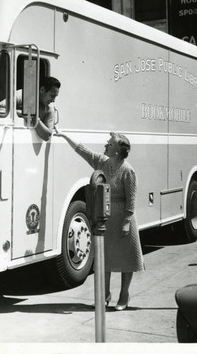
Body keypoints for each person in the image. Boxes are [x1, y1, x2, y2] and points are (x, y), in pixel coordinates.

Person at [55, 130, 144, 311]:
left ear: (118, 151)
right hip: (105, 218)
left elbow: (132, 199)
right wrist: (63, 135)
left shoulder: (128, 171)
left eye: (110, 144)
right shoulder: (102, 162)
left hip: (123, 220)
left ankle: (124, 295)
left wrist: (126, 221)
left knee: (126, 259)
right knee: (105, 259)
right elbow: (82, 150)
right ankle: (105, 294)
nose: (106, 144)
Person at [15, 76, 61, 141]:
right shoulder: (21, 95)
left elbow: (47, 136)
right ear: (42, 90)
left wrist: (35, 117)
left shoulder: (49, 109)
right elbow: (0, 110)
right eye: (52, 96)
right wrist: (21, 113)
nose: (53, 100)